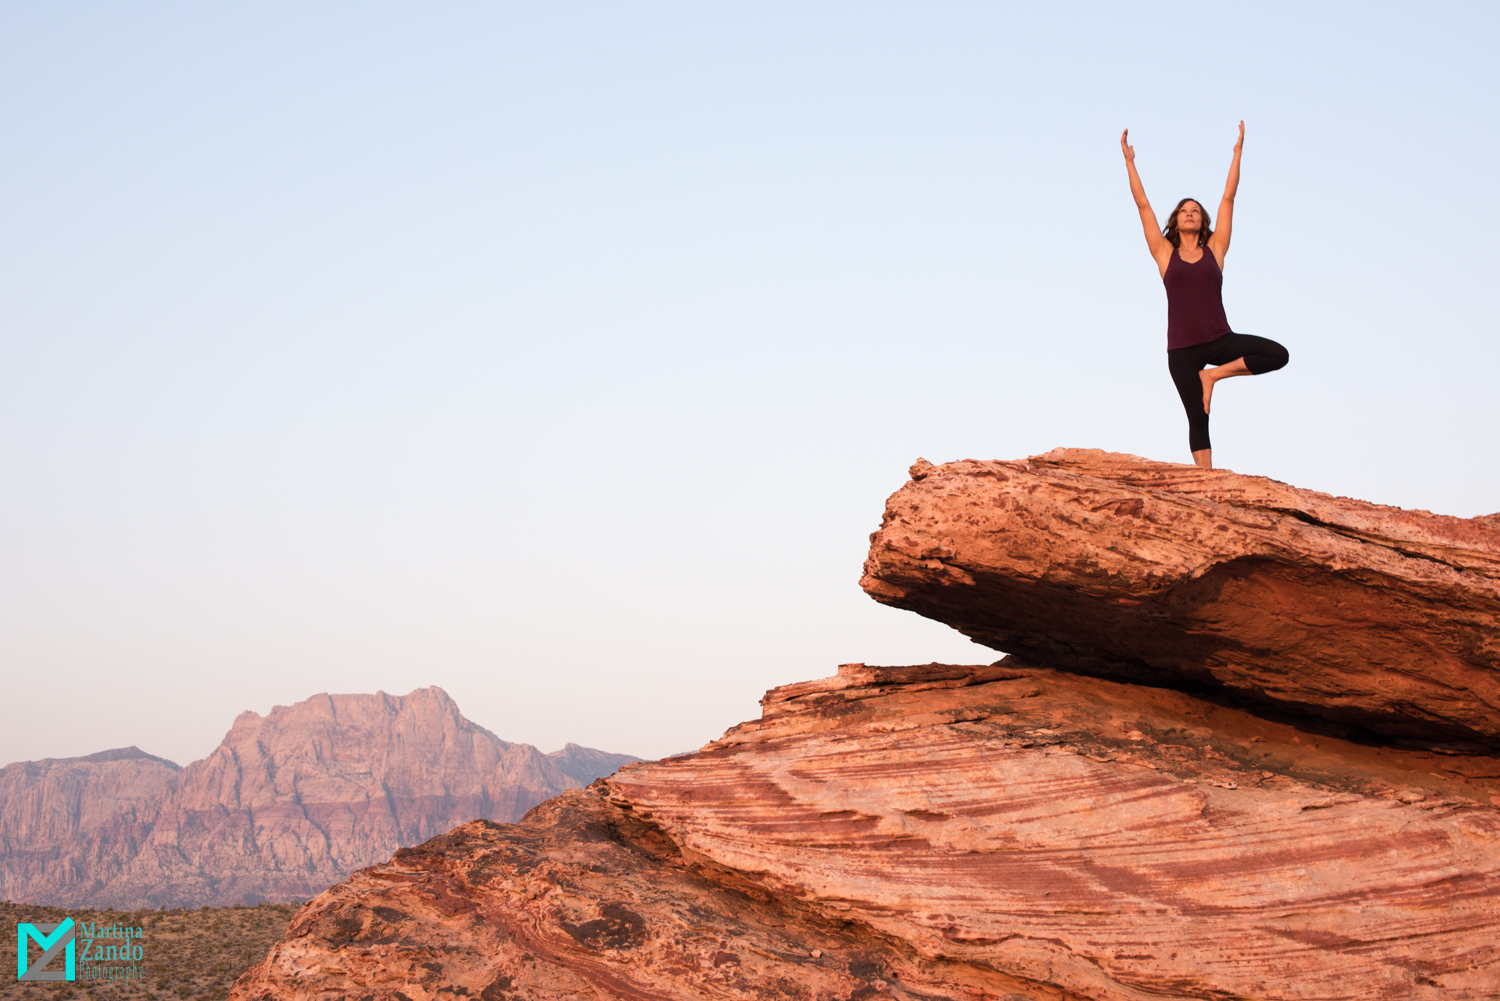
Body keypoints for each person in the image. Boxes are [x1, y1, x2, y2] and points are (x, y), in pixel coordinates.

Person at [1121, 121, 1288, 469]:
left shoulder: (1216, 250)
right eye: (1184, 210)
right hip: (1181, 349)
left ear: (1203, 220)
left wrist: (1238, 153)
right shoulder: (1165, 254)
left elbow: (1229, 197)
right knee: (1199, 418)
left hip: (1219, 340)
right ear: (1176, 221)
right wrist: (1130, 163)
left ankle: (1213, 376)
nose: (1190, 213)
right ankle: (1208, 484)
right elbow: (1143, 207)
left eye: (1195, 210)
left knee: (1278, 354)